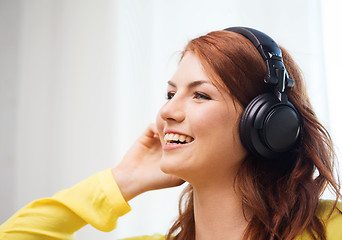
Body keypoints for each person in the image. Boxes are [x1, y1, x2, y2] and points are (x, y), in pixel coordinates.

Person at [1, 27, 341, 240]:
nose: (166, 112)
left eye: (200, 94)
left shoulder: (332, 227)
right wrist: (124, 180)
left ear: (267, 123)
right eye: (169, 94)